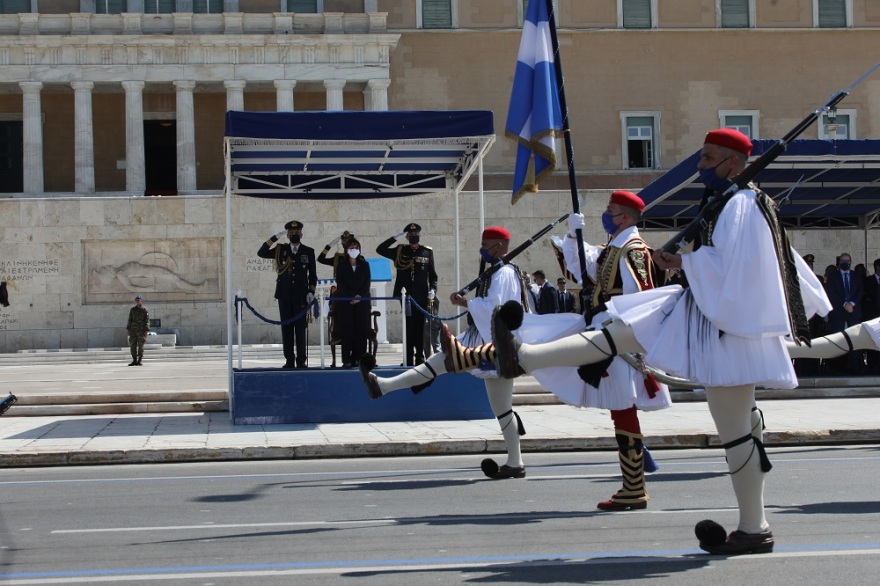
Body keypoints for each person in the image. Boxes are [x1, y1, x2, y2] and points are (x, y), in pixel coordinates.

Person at [483, 128, 832, 555]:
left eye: (708, 158)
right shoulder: (733, 202)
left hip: (729, 327)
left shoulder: (743, 204)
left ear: (734, 164)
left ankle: (753, 528)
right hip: (709, 310)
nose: (701, 166)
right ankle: (526, 355)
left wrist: (687, 259)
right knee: (622, 331)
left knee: (737, 432)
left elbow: (738, 269)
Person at [360, 226, 548, 480]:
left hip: (489, 342)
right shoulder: (501, 271)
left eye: (486, 245)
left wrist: (466, 302)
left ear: (500, 247)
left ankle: (383, 386)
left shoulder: (503, 273)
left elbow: (495, 306)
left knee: (444, 364)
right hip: (489, 340)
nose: (483, 250)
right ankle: (515, 463)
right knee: (500, 407)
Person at [555, 191, 671, 511]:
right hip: (607, 335)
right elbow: (583, 270)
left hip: (619, 340)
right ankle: (634, 483)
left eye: (610, 211)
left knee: (622, 409)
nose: (606, 215)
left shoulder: (633, 250)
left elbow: (641, 300)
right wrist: (572, 235)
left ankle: (634, 487)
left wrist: (623, 338)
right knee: (620, 410)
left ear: (625, 217)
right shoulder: (614, 248)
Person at [257, 221, 317, 369]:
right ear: (288, 235)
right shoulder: (280, 250)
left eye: (297, 233)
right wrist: (275, 237)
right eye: (291, 233)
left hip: (301, 297)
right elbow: (261, 252)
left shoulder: (308, 251)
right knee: (287, 329)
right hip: (284, 296)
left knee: (300, 329)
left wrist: (311, 291)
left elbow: (313, 275)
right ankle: (289, 360)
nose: (294, 235)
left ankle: (301, 361)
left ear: (301, 234)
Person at [376, 223, 438, 366]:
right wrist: (396, 237)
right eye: (410, 235)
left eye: (416, 234)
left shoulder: (426, 252)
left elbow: (433, 275)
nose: (414, 236)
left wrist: (433, 290)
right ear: (407, 236)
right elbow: (380, 249)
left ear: (419, 235)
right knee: (408, 327)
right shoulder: (400, 250)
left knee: (420, 327)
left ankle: (420, 358)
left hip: (422, 296)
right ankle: (408, 358)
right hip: (406, 297)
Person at [334, 238, 372, 368]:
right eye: (351, 248)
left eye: (356, 247)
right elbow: (340, 283)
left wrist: (359, 296)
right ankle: (347, 359)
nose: (354, 250)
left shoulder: (364, 265)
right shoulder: (342, 265)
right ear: (346, 250)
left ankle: (360, 359)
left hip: (362, 303)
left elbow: (367, 282)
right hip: (346, 303)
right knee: (347, 331)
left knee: (361, 331)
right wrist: (351, 296)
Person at [825, 252, 863, 374]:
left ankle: (853, 367)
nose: (845, 264)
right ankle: (837, 366)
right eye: (843, 262)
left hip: (853, 312)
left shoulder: (856, 275)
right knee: (838, 339)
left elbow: (860, 291)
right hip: (839, 313)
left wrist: (852, 304)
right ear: (839, 263)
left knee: (854, 339)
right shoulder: (833, 276)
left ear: (850, 262)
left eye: (847, 262)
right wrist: (843, 304)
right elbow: (831, 293)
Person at [126, 295, 149, 366]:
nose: (138, 301)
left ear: (141, 300)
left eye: (139, 300)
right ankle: (134, 360)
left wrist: (146, 330)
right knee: (133, 345)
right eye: (137, 300)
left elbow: (147, 321)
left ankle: (140, 360)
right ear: (135, 301)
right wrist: (129, 329)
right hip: (133, 330)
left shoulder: (144, 310)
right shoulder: (132, 309)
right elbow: (130, 319)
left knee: (140, 346)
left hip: (141, 330)